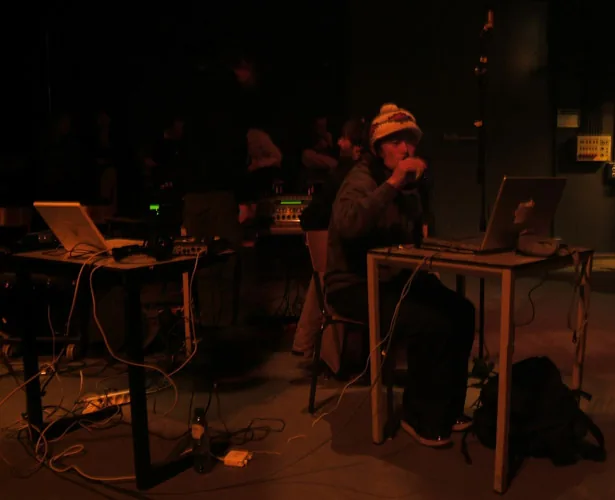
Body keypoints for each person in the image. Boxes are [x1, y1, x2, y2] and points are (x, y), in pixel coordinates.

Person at [325, 103, 475, 447]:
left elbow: (412, 235)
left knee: (462, 311)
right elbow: (348, 224)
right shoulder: (361, 179)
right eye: (396, 142)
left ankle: (448, 408)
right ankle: (419, 415)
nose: (407, 149)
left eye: (411, 141)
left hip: (392, 278)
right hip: (353, 284)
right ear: (378, 148)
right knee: (430, 322)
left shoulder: (406, 184)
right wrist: (393, 183)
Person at [292, 118, 366, 372]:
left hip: (336, 261)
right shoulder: (350, 175)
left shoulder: (345, 174)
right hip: (344, 262)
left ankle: (304, 343)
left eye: (344, 138)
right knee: (327, 276)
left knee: (322, 278)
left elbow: (313, 216)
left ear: (357, 147)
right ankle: (310, 345)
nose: (339, 143)